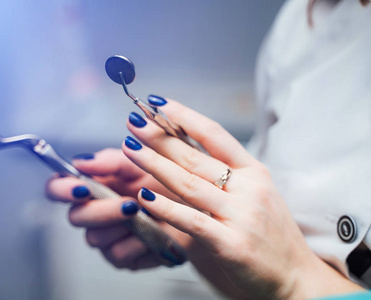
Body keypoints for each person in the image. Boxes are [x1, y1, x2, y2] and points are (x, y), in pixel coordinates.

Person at [46, 0, 371, 299]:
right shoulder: (304, 17)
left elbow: (287, 278)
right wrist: (201, 228)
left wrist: (297, 280)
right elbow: (261, 281)